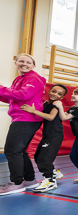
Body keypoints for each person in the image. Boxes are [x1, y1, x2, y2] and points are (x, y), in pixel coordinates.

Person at [0, 54, 45, 195]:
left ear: (33, 65)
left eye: (28, 62)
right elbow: (13, 99)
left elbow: (22, 95)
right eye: (21, 61)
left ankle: (17, 182)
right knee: (20, 151)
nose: (24, 64)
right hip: (22, 118)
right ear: (16, 63)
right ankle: (30, 180)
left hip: (26, 118)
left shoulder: (33, 78)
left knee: (12, 150)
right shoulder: (20, 79)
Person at [20, 84, 67, 192]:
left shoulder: (56, 105)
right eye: (54, 91)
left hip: (55, 135)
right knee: (37, 157)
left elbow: (50, 117)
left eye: (59, 94)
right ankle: (54, 173)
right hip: (47, 135)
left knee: (44, 159)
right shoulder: (47, 104)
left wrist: (33, 111)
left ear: (62, 97)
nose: (55, 94)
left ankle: (50, 181)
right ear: (49, 91)